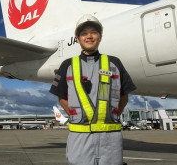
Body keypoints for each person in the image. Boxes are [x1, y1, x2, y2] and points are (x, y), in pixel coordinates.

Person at [50, 14, 136, 165]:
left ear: (100, 37)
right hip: (79, 137)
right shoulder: (67, 65)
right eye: (84, 33)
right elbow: (61, 97)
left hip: (111, 140)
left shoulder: (114, 63)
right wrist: (77, 116)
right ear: (77, 39)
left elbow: (124, 96)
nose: (89, 36)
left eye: (93, 32)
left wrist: (110, 116)